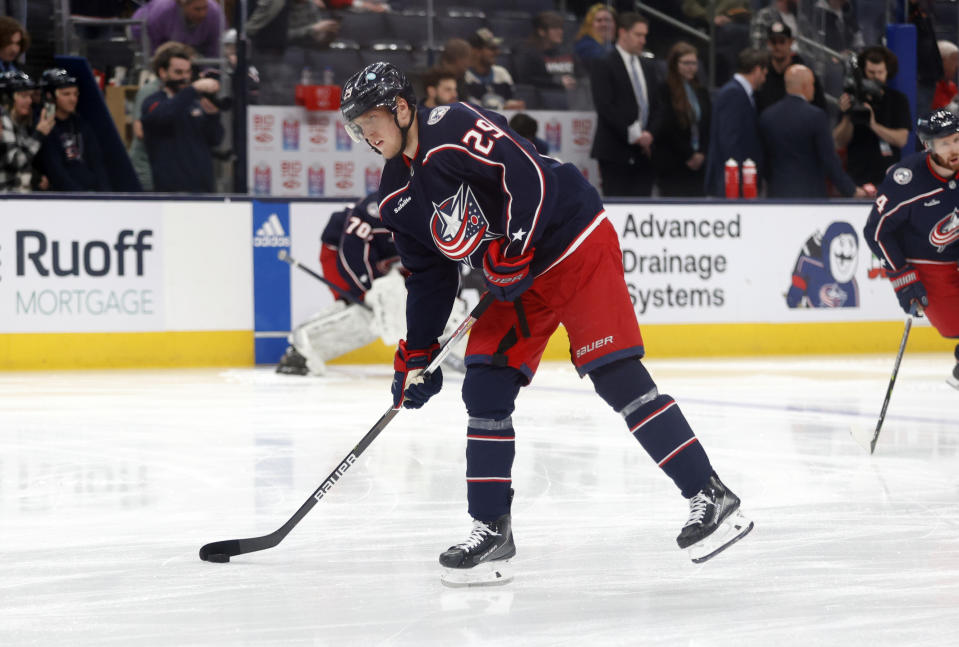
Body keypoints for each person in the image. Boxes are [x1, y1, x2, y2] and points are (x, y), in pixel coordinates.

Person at [339, 61, 754, 586]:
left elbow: (526, 175)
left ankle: (708, 493)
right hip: (517, 277)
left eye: (370, 120)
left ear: (401, 108)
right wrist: (417, 352)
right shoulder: (397, 195)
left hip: (573, 241)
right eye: (356, 127)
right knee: (485, 386)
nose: (365, 135)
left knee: (615, 374)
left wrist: (514, 247)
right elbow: (428, 279)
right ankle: (491, 528)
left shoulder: (453, 125)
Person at [863, 109, 959, 389]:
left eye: (956, 139)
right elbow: (876, 232)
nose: (953, 148)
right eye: (944, 143)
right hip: (930, 266)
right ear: (928, 146)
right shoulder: (906, 181)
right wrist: (902, 277)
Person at [277, 192, 404, 376]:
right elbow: (352, 253)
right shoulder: (376, 210)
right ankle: (301, 350)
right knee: (363, 310)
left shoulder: (430, 207)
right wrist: (365, 292)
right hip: (339, 254)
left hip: (378, 261)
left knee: (388, 307)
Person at [760, 65, 865, 199]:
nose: (814, 89)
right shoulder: (816, 116)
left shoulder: (767, 116)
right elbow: (829, 160)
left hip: (777, 193)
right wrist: (851, 190)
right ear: (805, 86)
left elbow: (763, 160)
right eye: (813, 84)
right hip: (810, 196)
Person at [589, 12, 661, 197]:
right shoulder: (603, 63)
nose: (643, 40)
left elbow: (657, 105)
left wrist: (649, 133)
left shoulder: (648, 66)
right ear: (623, 32)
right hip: (615, 151)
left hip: (645, 153)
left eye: (645, 35)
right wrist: (634, 133)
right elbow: (605, 105)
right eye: (638, 35)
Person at [141, 41, 224, 193]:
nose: (185, 78)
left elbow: (215, 139)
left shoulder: (196, 102)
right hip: (169, 194)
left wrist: (213, 116)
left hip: (203, 192)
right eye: (178, 73)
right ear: (163, 72)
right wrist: (193, 89)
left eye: (187, 72)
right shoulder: (153, 101)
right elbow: (163, 115)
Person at [833, 46, 911, 187]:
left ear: (888, 71)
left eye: (880, 72)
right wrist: (847, 116)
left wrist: (873, 125)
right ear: (863, 72)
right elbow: (838, 142)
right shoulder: (852, 98)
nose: (876, 77)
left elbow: (901, 140)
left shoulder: (898, 99)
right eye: (871, 72)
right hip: (857, 176)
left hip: (888, 178)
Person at [703, 48, 769, 197]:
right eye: (765, 74)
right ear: (757, 70)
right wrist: (737, 182)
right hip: (731, 184)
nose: (764, 79)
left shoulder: (743, 94)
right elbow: (729, 141)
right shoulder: (733, 93)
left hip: (738, 181)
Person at [35, 68, 113, 192]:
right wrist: (79, 197)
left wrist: (105, 194)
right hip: (65, 198)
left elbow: (97, 164)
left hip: (90, 194)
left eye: (75, 94)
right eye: (66, 94)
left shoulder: (81, 124)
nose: (73, 99)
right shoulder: (45, 127)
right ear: (50, 96)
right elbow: (56, 171)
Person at [652, 41, 709, 198]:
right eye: (686, 63)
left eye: (694, 63)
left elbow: (707, 125)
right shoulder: (664, 90)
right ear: (674, 64)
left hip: (698, 165)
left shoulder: (701, 91)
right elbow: (666, 127)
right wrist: (689, 154)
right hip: (674, 164)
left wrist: (702, 153)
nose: (691, 67)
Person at [754, 21, 826, 114]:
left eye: (782, 41)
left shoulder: (804, 73)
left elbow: (819, 108)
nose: (778, 46)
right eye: (773, 42)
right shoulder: (762, 73)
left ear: (791, 42)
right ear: (768, 43)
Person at [0, 70, 54, 192]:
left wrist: (35, 177)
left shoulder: (19, 122)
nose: (29, 101)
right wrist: (39, 134)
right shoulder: (3, 119)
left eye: (30, 96)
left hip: (16, 194)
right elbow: (16, 161)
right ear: (7, 97)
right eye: (24, 96)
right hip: (5, 196)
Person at [512, 11, 578, 108]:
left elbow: (580, 73)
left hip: (568, 101)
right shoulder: (526, 52)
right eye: (555, 28)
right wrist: (557, 82)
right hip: (538, 104)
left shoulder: (565, 52)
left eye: (561, 28)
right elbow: (525, 80)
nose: (560, 32)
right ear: (541, 32)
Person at [131, 0, 226, 58]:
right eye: (197, 9)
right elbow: (150, 44)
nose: (202, 14)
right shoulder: (162, 11)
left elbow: (216, 48)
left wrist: (208, 71)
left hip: (193, 47)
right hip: (148, 36)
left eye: (205, 8)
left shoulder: (215, 12)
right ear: (183, 5)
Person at [463, 28, 524, 111]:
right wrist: (502, 108)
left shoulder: (502, 73)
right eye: (492, 48)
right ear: (476, 51)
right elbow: (470, 110)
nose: (497, 52)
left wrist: (515, 105)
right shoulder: (465, 77)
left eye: (497, 48)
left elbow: (510, 101)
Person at [572, 3, 616, 72]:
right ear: (589, 24)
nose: (604, 24)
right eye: (599, 20)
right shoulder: (585, 45)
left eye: (608, 20)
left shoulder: (610, 45)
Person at [932, 40, 958, 110]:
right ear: (941, 61)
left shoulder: (951, 86)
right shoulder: (931, 87)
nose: (957, 65)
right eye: (954, 60)